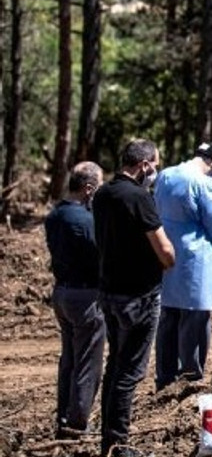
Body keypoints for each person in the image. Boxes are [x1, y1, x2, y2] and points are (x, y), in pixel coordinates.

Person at [94, 139, 175, 457]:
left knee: (115, 364)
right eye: (155, 164)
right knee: (130, 371)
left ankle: (108, 439)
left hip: (109, 292)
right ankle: (120, 444)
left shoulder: (103, 193)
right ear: (144, 165)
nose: (156, 170)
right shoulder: (139, 197)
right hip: (139, 296)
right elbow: (164, 249)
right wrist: (169, 261)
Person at [153, 142, 212, 390]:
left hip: (165, 252)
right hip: (196, 257)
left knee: (169, 315)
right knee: (196, 316)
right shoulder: (206, 184)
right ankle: (191, 374)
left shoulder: (166, 175)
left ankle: (165, 376)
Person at [45, 161, 106, 440]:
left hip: (62, 292)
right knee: (87, 361)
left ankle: (64, 415)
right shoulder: (85, 220)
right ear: (89, 188)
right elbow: (99, 256)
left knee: (69, 358)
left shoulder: (56, 214)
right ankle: (78, 422)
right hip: (86, 296)